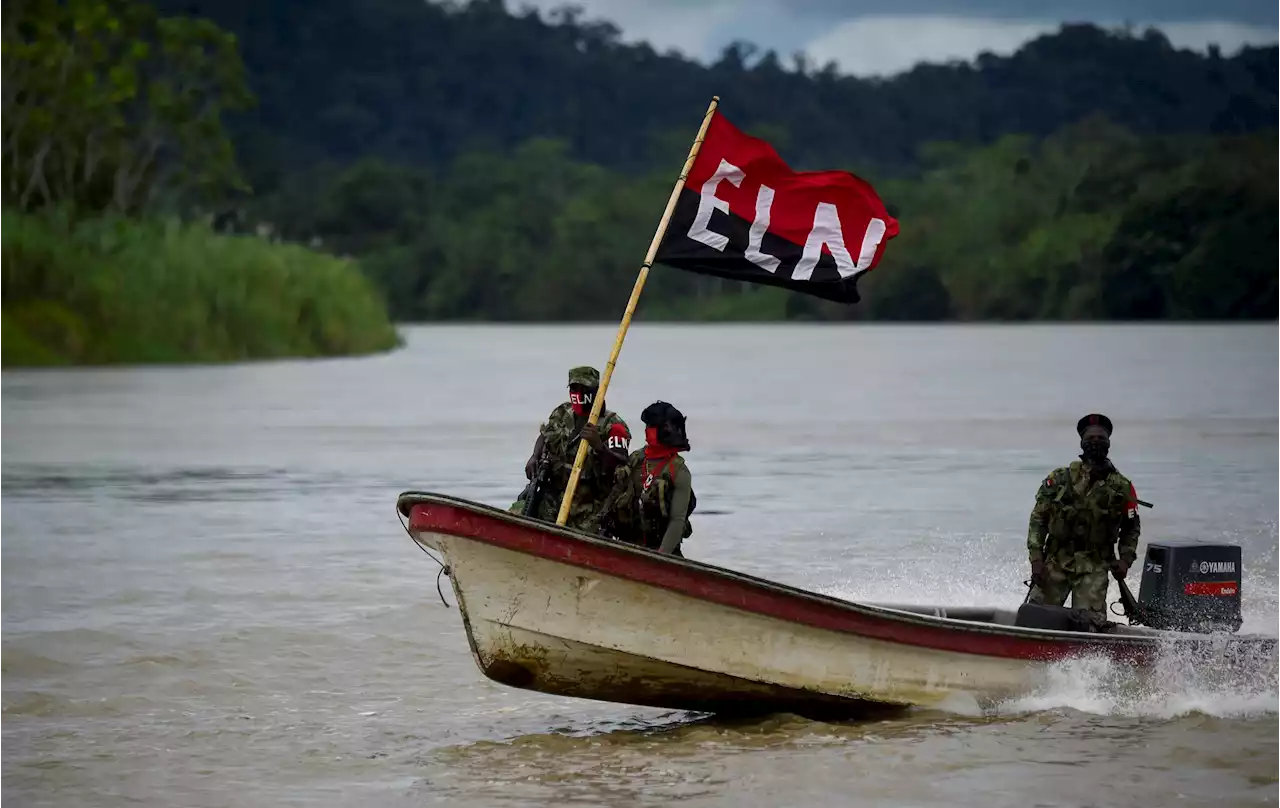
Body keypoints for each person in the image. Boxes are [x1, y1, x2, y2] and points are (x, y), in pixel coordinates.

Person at [1026, 413, 1141, 617]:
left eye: (1101, 439)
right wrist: (1036, 559)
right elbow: (1038, 520)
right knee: (1035, 616)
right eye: (1090, 439)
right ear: (1081, 443)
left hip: (1095, 566)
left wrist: (1125, 560)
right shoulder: (1059, 479)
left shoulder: (1122, 487)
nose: (1095, 443)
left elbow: (1131, 528)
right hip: (1055, 562)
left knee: (1088, 624)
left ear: (1108, 444)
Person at [510, 365, 631, 533]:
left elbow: (622, 467)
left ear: (597, 391)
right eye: (574, 388)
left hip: (588, 509)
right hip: (551, 498)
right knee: (518, 516)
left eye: (584, 388)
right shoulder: (562, 413)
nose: (578, 393)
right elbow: (545, 435)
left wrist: (599, 446)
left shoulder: (613, 426)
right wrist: (534, 456)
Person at [600, 401, 696, 556]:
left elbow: (677, 521)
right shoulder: (637, 459)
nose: (646, 430)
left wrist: (660, 556)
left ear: (665, 431)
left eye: (651, 426)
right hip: (628, 545)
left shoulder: (678, 472)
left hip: (662, 550)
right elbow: (615, 494)